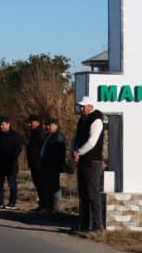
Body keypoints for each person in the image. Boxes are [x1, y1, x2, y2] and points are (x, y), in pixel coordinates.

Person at [71, 95, 106, 232]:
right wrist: (73, 150)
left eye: (83, 106)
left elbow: (92, 141)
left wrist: (79, 152)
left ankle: (97, 226)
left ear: (90, 107)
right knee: (83, 194)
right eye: (80, 106)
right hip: (82, 161)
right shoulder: (82, 120)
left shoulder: (96, 120)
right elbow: (76, 137)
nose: (81, 108)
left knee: (93, 194)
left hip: (93, 161)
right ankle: (84, 226)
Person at [0, 116, 24, 209]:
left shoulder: (15, 136)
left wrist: (12, 158)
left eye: (3, 124)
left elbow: (18, 149)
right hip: (0, 164)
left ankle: (12, 203)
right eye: (0, 125)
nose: (1, 126)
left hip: (11, 164)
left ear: (8, 124)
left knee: (12, 184)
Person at [40, 117, 67, 213]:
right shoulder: (50, 136)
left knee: (54, 186)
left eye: (49, 125)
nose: (47, 127)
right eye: (46, 125)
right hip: (47, 165)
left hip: (53, 165)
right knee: (49, 186)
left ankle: (56, 208)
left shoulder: (58, 136)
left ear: (55, 126)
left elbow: (57, 152)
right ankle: (50, 207)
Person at [24, 115, 46, 210]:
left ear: (37, 122)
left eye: (31, 122)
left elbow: (42, 147)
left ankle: (44, 205)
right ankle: (41, 204)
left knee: (41, 184)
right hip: (34, 162)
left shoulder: (40, 132)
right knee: (38, 183)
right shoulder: (33, 132)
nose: (29, 124)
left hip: (39, 163)